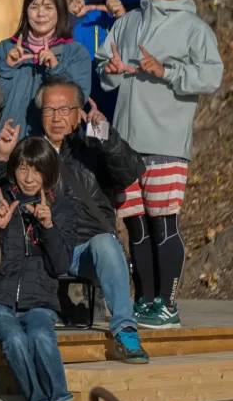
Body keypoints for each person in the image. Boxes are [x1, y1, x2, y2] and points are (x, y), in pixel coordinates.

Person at [95, 0, 223, 329]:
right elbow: (105, 69)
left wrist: (166, 71)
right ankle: (144, 301)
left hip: (166, 142)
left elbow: (211, 77)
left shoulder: (195, 28)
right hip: (125, 141)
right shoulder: (128, 21)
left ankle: (167, 304)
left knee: (163, 222)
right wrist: (114, 70)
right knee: (135, 223)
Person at [28, 76, 148, 363]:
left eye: (65, 110)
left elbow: (132, 170)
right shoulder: (29, 152)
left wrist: (103, 132)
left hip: (88, 252)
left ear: (79, 112)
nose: (57, 118)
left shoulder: (92, 147)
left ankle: (125, 331)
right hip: (46, 249)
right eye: (49, 110)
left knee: (106, 243)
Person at [0, 137, 79, 401]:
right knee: (13, 337)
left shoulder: (62, 209)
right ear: (14, 169)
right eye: (23, 168)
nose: (28, 177)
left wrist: (48, 226)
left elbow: (61, 265)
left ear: (48, 173)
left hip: (40, 300)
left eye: (36, 170)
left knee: (39, 333)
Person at [0, 0, 91, 138]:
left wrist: (56, 70)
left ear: (60, 11)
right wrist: (7, 67)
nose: (40, 14)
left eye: (48, 7)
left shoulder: (75, 53)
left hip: (56, 149)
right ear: (26, 11)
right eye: (34, 7)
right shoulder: (6, 49)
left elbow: (78, 100)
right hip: (11, 145)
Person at [67, 0, 142, 122]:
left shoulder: (138, 8)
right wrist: (66, 20)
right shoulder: (74, 13)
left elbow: (148, 49)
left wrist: (124, 18)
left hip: (127, 111)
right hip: (84, 111)